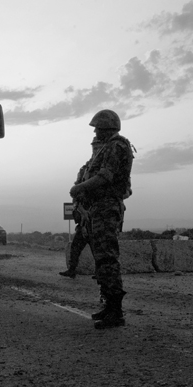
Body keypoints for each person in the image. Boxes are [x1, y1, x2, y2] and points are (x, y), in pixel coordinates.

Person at [70, 109, 134, 329]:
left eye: (97, 127)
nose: (95, 132)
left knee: (107, 258)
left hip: (107, 208)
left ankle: (116, 311)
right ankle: (109, 305)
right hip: (98, 208)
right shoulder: (106, 149)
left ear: (107, 128)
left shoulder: (117, 146)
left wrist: (79, 188)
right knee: (101, 259)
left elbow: (104, 177)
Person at [60, 137, 102, 278]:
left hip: (99, 213)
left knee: (99, 248)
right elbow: (76, 190)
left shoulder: (107, 166)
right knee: (76, 246)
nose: (95, 149)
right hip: (83, 214)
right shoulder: (86, 168)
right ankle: (72, 270)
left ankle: (100, 272)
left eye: (98, 146)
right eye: (94, 147)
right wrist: (81, 209)